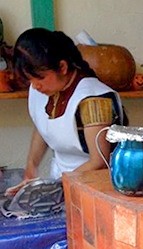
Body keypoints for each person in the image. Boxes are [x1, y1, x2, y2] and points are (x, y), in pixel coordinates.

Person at [5, 28, 127, 196]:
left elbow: (99, 161)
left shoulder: (93, 99)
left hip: (96, 186)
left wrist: (54, 187)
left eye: (39, 77)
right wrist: (31, 169)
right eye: (29, 79)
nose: (35, 85)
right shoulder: (42, 89)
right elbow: (43, 128)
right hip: (62, 181)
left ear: (62, 67)